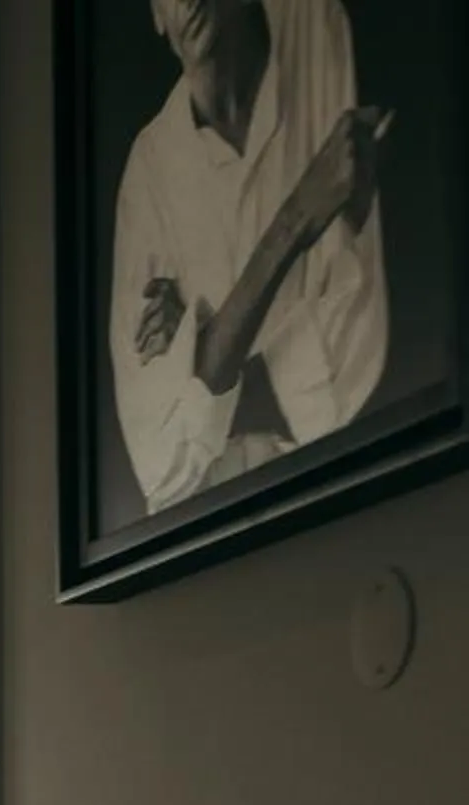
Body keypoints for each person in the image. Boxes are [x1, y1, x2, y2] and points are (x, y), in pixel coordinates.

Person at [110, 0, 389, 514]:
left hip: (356, 490)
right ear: (154, 15)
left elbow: (346, 374)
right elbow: (162, 470)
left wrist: (206, 350)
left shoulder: (317, 33)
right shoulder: (149, 172)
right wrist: (297, 220)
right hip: (214, 543)